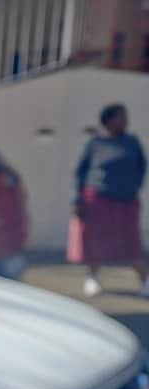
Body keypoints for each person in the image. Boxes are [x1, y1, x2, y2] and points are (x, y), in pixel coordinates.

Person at [68, 103, 147, 297]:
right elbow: (81, 173)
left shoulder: (132, 142)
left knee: (132, 242)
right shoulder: (96, 144)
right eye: (120, 117)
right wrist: (78, 200)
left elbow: (141, 167)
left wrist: (133, 186)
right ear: (108, 120)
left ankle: (144, 282)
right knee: (95, 241)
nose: (124, 121)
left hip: (126, 201)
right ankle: (92, 278)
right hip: (98, 200)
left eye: (125, 117)